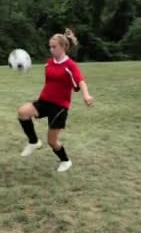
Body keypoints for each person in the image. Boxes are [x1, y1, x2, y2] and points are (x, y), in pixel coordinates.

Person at [17, 28, 94, 172]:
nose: (51, 50)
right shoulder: (49, 63)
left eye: (54, 47)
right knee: (22, 112)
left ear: (63, 47)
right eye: (50, 47)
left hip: (59, 107)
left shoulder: (70, 65)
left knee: (52, 141)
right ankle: (33, 141)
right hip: (44, 101)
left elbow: (81, 81)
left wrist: (86, 95)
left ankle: (65, 160)